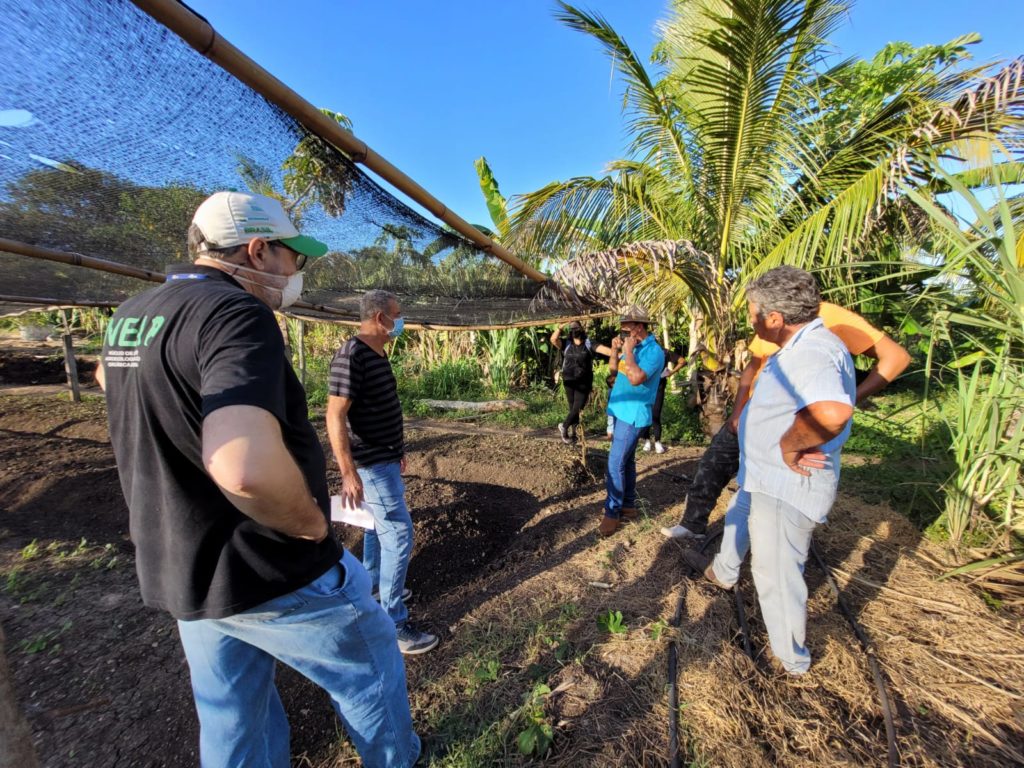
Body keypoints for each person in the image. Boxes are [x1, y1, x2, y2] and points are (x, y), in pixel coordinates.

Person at [99, 191, 419, 767]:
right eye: (292, 257)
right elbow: (241, 467)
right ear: (256, 251)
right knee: (371, 663)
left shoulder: (133, 314)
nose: (295, 271)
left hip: (185, 567)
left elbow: (106, 376)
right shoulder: (235, 312)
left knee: (234, 719)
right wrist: (309, 525)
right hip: (266, 564)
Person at [694, 266, 856, 675]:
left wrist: (788, 444)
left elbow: (832, 411)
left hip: (788, 486)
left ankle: (791, 662)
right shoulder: (801, 347)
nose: (750, 320)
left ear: (775, 318)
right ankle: (724, 571)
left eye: (753, 313)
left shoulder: (812, 352)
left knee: (776, 575)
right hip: (768, 480)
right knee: (744, 515)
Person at [661, 298, 910, 540]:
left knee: (779, 487)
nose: (751, 316)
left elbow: (896, 358)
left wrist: (849, 397)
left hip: (795, 419)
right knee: (715, 462)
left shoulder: (832, 317)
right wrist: (737, 412)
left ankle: (772, 547)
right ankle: (694, 525)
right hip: (755, 412)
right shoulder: (772, 315)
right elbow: (753, 365)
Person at [327, 290, 438, 655]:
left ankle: (374, 586)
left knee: (379, 526)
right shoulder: (352, 355)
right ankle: (393, 624)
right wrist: (348, 472)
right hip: (370, 465)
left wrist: (398, 450)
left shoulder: (377, 353)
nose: (401, 321)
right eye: (397, 314)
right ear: (379, 317)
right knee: (400, 534)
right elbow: (335, 415)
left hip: (385, 459)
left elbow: (380, 407)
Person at [600, 307, 666, 536]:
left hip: (633, 415)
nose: (624, 333)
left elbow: (637, 378)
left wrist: (628, 351)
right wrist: (616, 350)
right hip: (620, 410)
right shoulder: (632, 347)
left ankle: (612, 512)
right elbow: (613, 370)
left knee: (614, 464)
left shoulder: (654, 352)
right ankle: (627, 505)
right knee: (626, 462)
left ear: (639, 327)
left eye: (626, 330)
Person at [551, 321, 595, 444]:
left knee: (578, 407)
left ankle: (564, 426)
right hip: (569, 379)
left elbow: (603, 350)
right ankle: (574, 435)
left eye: (576, 327)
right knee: (573, 408)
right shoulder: (567, 344)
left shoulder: (588, 343)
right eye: (572, 328)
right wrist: (559, 327)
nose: (575, 329)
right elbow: (554, 339)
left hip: (584, 380)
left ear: (581, 328)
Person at [640, 347, 685, 454]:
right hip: (644, 388)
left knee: (655, 414)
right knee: (646, 414)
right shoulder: (643, 351)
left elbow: (682, 361)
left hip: (657, 387)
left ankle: (657, 442)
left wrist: (671, 372)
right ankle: (647, 441)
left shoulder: (664, 352)